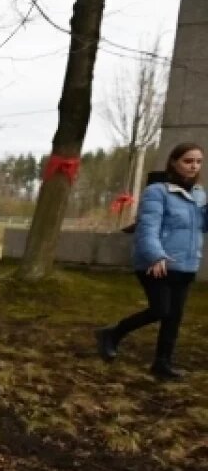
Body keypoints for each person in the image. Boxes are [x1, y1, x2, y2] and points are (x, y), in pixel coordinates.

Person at [96, 142, 206, 379]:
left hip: (186, 264)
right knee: (160, 309)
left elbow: (202, 227)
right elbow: (147, 228)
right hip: (156, 262)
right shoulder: (157, 191)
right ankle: (113, 333)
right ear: (174, 162)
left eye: (198, 162)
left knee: (174, 316)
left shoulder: (199, 194)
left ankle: (162, 363)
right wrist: (156, 255)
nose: (194, 166)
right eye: (188, 161)